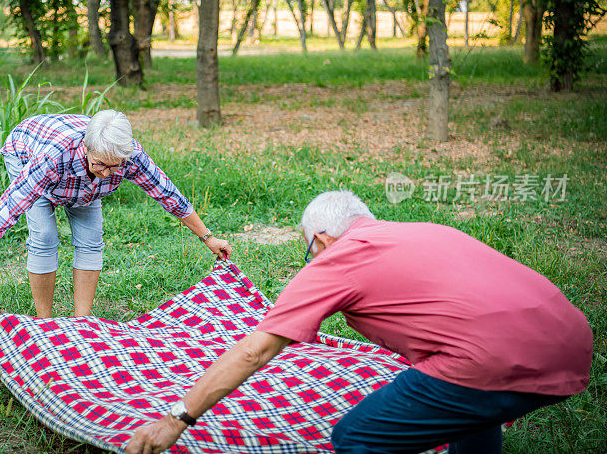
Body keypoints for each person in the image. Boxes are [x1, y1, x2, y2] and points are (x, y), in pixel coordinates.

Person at [126, 190, 593, 454]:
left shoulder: (338, 260)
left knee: (356, 437)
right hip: (570, 344)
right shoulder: (427, 231)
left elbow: (255, 349)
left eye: (308, 251)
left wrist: (178, 419)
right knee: (470, 407)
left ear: (322, 241)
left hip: (486, 360)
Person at [0, 110, 231, 317]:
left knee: (91, 238)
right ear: (86, 147)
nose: (108, 172)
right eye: (100, 165)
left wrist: (208, 237)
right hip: (27, 149)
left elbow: (169, 195)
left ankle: (82, 322)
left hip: (80, 184)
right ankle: (45, 322)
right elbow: (7, 210)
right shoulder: (53, 157)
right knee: (44, 235)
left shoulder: (129, 156)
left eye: (115, 167)